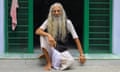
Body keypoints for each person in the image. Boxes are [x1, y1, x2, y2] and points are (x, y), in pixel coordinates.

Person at [35, 2, 86, 70]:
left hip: (61, 50)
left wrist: (81, 54)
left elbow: (76, 38)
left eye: (58, 11)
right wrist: (48, 35)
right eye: (54, 11)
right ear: (51, 13)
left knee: (70, 61)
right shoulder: (48, 21)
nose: (56, 13)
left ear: (62, 12)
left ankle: (50, 57)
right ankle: (49, 62)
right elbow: (37, 31)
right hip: (52, 47)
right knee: (42, 36)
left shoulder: (68, 22)